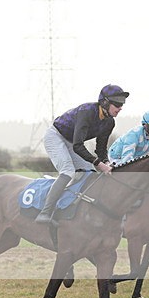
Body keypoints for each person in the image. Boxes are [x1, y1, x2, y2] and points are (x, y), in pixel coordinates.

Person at [34, 84, 129, 225]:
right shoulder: (87, 112)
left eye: (122, 103)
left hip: (72, 141)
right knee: (67, 171)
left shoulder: (109, 122)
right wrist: (99, 164)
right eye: (117, 103)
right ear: (104, 102)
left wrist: (106, 162)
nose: (120, 107)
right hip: (56, 136)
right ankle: (45, 213)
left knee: (89, 173)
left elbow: (101, 149)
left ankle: (75, 209)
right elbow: (78, 146)